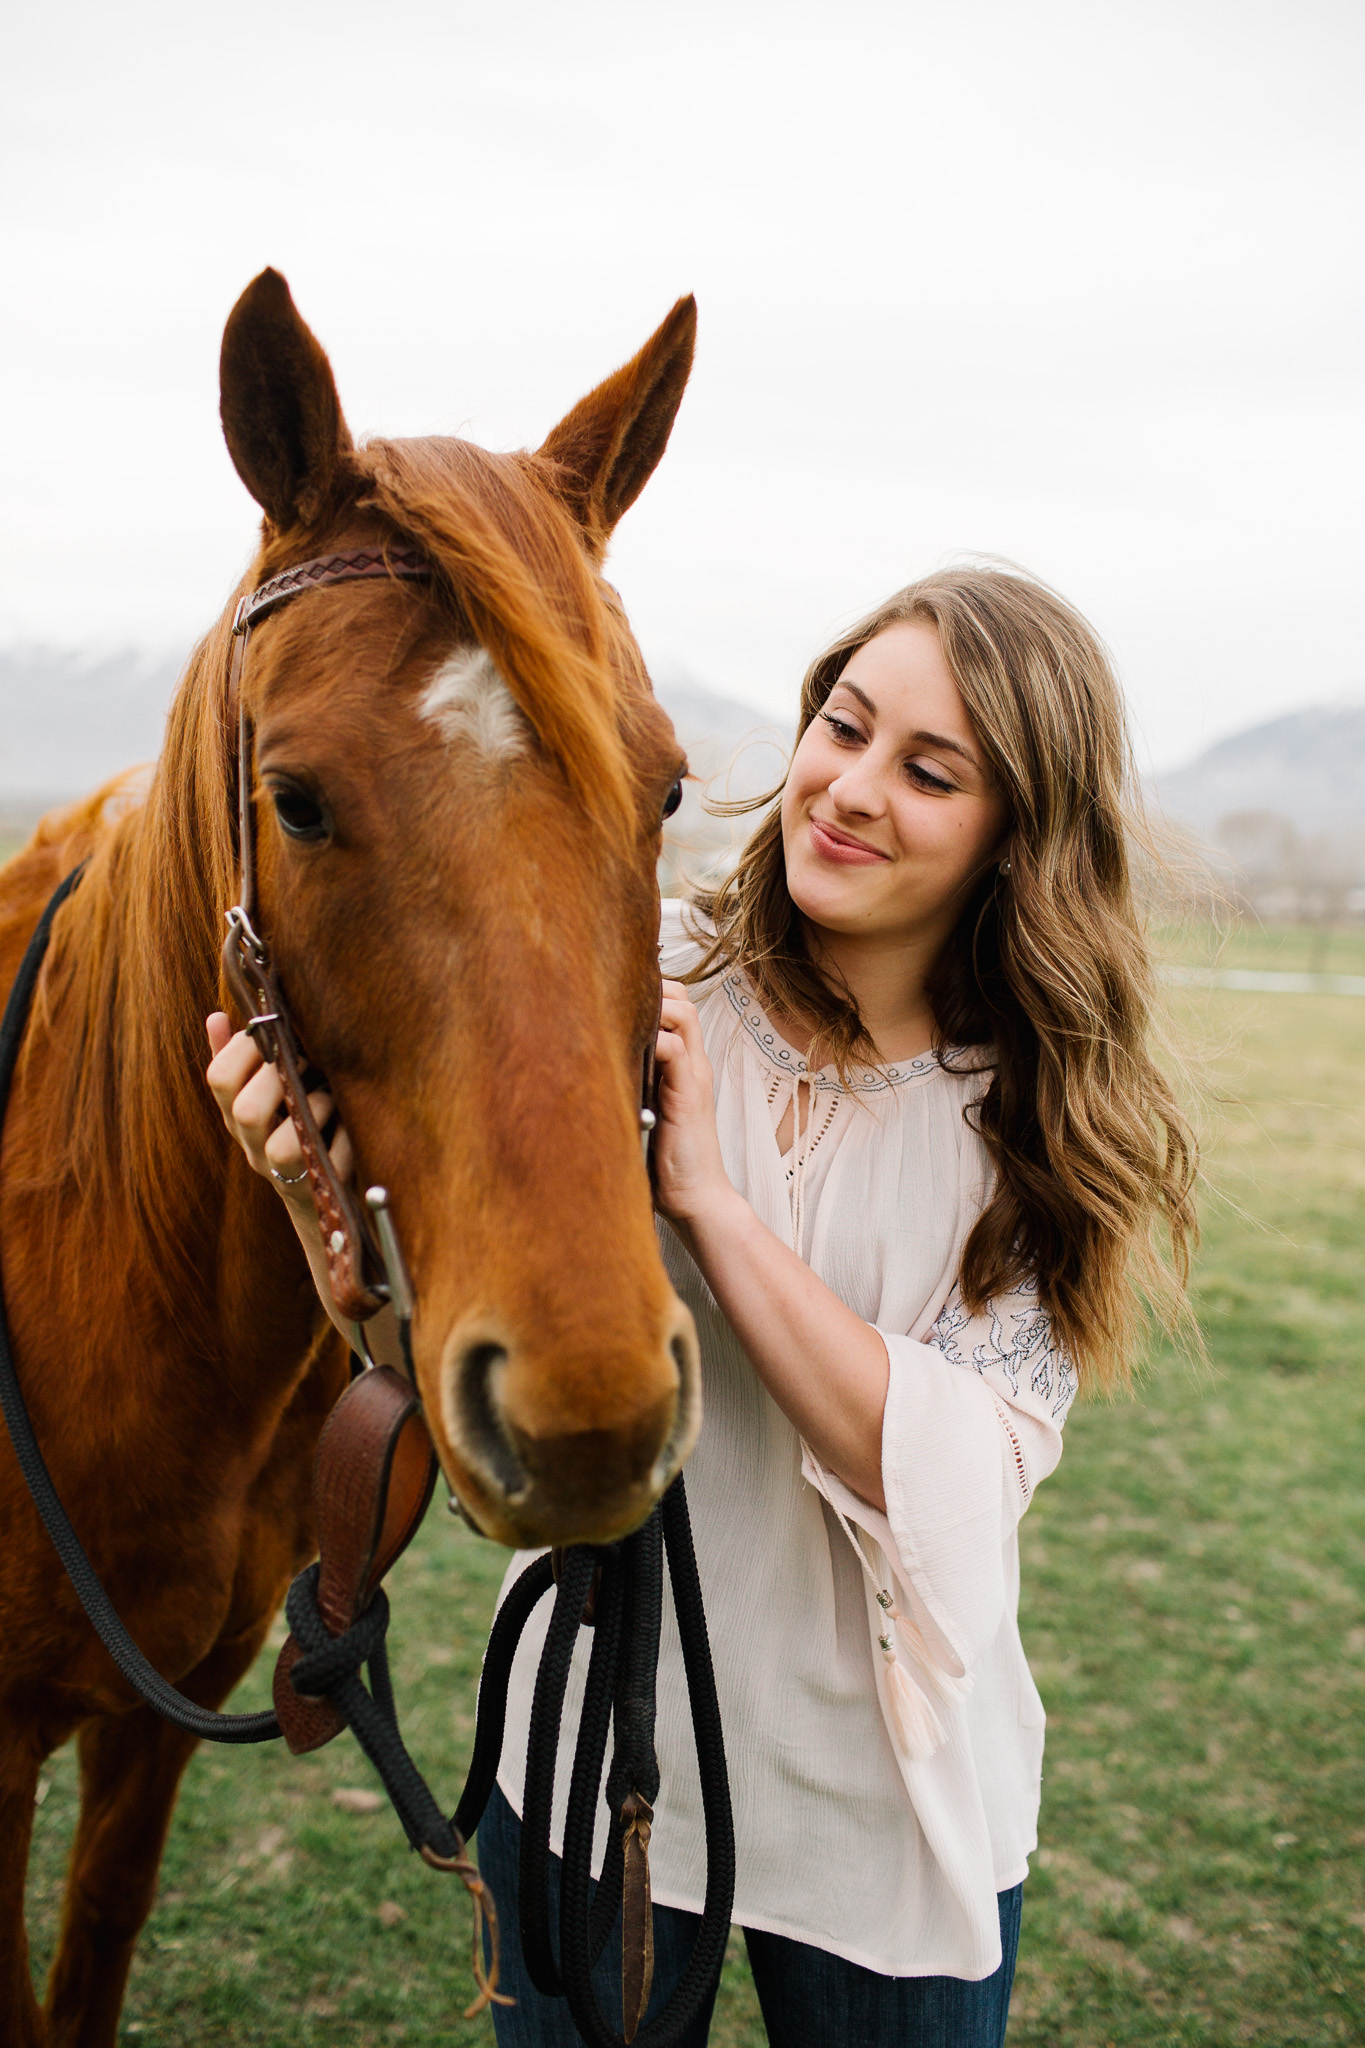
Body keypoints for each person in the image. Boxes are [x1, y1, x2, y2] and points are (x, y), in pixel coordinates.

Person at [207, 564, 1197, 2048]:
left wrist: (712, 1205)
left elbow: (951, 1483)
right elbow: (456, 1355)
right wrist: (316, 1208)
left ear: (1018, 834)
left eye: (928, 772)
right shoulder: (633, 979)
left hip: (891, 1795)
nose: (850, 790)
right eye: (842, 726)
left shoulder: (1045, 1125)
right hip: (597, 1748)